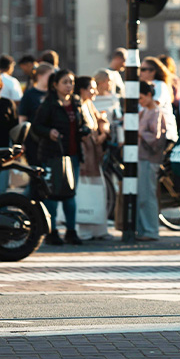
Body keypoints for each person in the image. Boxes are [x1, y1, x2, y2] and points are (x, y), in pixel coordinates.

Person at [32, 69, 91, 245]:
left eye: (71, 82)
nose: (69, 86)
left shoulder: (76, 102)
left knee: (70, 196)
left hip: (72, 155)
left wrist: (85, 129)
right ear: (55, 85)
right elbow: (36, 126)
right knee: (53, 196)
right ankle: (52, 231)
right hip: (53, 156)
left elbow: (84, 122)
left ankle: (71, 231)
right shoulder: (49, 104)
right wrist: (49, 132)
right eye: (65, 82)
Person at [75, 75, 112, 240]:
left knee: (96, 189)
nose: (95, 91)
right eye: (92, 87)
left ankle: (96, 228)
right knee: (84, 189)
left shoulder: (89, 105)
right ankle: (84, 228)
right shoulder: (77, 106)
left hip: (93, 155)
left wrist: (103, 134)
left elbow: (101, 121)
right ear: (82, 90)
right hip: (84, 155)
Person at [137, 80, 169, 242]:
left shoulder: (156, 112)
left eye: (141, 98)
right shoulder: (144, 112)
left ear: (149, 95)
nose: (140, 102)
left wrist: (140, 133)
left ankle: (150, 230)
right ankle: (144, 228)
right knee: (143, 194)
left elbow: (156, 138)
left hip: (150, 158)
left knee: (147, 195)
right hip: (143, 157)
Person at [18, 63, 55, 163]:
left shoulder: (53, 94)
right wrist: (21, 141)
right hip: (33, 140)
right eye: (50, 76)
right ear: (40, 76)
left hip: (50, 141)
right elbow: (22, 119)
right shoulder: (29, 95)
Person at [140, 56, 178, 144]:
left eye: (143, 69)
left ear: (153, 71)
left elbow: (155, 104)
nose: (140, 72)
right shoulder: (143, 86)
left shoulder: (160, 85)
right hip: (151, 133)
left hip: (163, 133)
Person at [90, 70, 124, 147]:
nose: (111, 84)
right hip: (93, 134)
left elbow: (118, 120)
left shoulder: (113, 98)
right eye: (109, 81)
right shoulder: (91, 97)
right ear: (101, 82)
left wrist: (121, 139)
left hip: (110, 136)